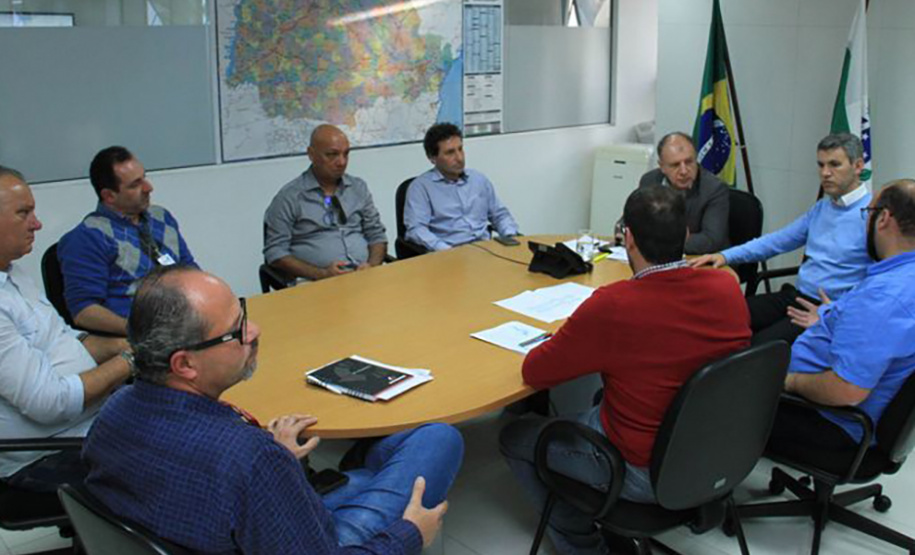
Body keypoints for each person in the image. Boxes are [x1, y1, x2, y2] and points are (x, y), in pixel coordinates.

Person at [82, 265, 463, 554]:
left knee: (381, 467)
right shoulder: (251, 459)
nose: (256, 331)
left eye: (243, 314)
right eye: (237, 330)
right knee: (439, 439)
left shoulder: (114, 411)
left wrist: (277, 462)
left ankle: (362, 470)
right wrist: (409, 535)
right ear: (184, 365)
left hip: (220, 528)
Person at [500, 185, 751, 555]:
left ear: (627, 238)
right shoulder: (727, 287)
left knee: (514, 435)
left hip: (641, 471)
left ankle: (584, 547)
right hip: (718, 452)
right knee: (604, 396)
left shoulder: (614, 306)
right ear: (685, 234)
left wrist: (570, 332)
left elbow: (536, 372)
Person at [0, 166, 131, 492]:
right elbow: (49, 402)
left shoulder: (14, 276)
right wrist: (129, 361)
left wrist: (121, 345)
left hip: (86, 425)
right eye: (23, 213)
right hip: (41, 458)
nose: (37, 224)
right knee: (179, 458)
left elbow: (65, 343)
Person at [767, 179, 915, 464]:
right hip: (844, 414)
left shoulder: (883, 298)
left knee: (715, 403)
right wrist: (828, 318)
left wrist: (790, 382)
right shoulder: (900, 276)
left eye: (868, 213)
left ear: (883, 219)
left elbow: (846, 390)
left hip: (831, 422)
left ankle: (699, 498)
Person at [690, 133, 872, 345]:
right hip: (798, 296)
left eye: (834, 165)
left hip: (827, 310)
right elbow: (776, 241)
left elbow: (877, 284)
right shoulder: (823, 207)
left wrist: (832, 314)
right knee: (720, 317)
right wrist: (725, 256)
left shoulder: (873, 216)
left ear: (858, 166)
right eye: (821, 165)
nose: (825, 173)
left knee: (757, 347)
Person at [58, 146, 197, 336]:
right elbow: (84, 312)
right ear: (109, 196)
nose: (149, 188)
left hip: (185, 321)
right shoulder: (87, 238)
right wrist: (138, 332)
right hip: (143, 335)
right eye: (135, 185)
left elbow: (190, 269)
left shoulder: (161, 217)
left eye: (144, 178)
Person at [264, 124, 388, 281]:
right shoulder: (290, 197)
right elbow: (275, 252)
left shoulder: (358, 188)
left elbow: (377, 236)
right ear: (311, 154)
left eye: (346, 154)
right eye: (332, 155)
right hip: (315, 282)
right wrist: (321, 274)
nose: (341, 162)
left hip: (363, 277)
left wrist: (372, 265)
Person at [404, 123, 519, 251]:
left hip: (486, 252)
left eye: (460, 149)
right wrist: (445, 250)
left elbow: (500, 215)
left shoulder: (478, 180)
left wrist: (510, 235)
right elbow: (417, 230)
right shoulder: (421, 188)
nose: (459, 158)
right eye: (450, 153)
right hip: (449, 256)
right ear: (432, 158)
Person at [629, 131, 729, 254]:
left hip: (702, 262)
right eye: (675, 165)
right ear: (662, 166)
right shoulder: (650, 180)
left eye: (689, 162)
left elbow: (711, 240)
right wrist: (622, 230)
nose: (683, 171)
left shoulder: (714, 189)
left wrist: (656, 242)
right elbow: (630, 219)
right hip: (659, 260)